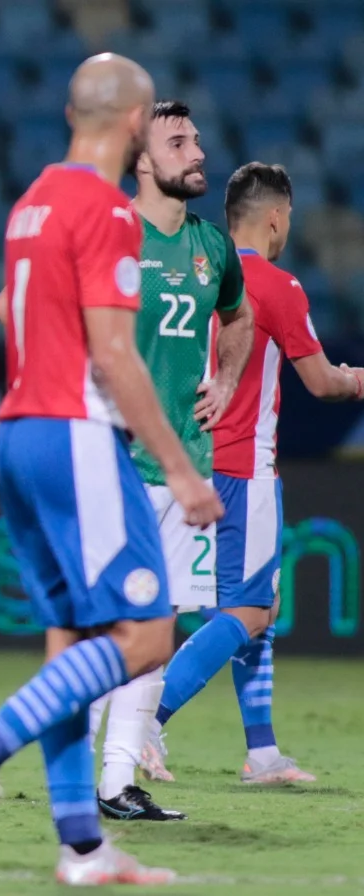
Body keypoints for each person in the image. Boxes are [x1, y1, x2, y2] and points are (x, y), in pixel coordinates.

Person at [0, 54, 222, 886]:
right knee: (146, 634)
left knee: (71, 647)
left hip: (20, 430)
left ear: (69, 111)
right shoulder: (108, 210)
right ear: (135, 126)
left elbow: (13, 316)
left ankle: (81, 846)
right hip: (76, 432)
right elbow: (116, 353)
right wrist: (181, 471)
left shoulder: (33, 202)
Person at [150, 163, 364, 782]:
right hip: (246, 467)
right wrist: (358, 379)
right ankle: (146, 725)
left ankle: (263, 751)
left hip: (189, 461)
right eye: (289, 216)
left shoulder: (195, 273)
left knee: (259, 602)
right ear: (275, 216)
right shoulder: (276, 285)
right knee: (247, 610)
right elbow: (322, 383)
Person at [86, 101, 253, 820]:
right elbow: (17, 308)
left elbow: (239, 317)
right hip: (114, 462)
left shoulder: (213, 247)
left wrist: (226, 378)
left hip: (187, 463)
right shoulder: (106, 232)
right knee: (109, 632)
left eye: (198, 139)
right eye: (178, 141)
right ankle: (61, 762)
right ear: (142, 158)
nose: (198, 151)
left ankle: (117, 781)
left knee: (154, 636)